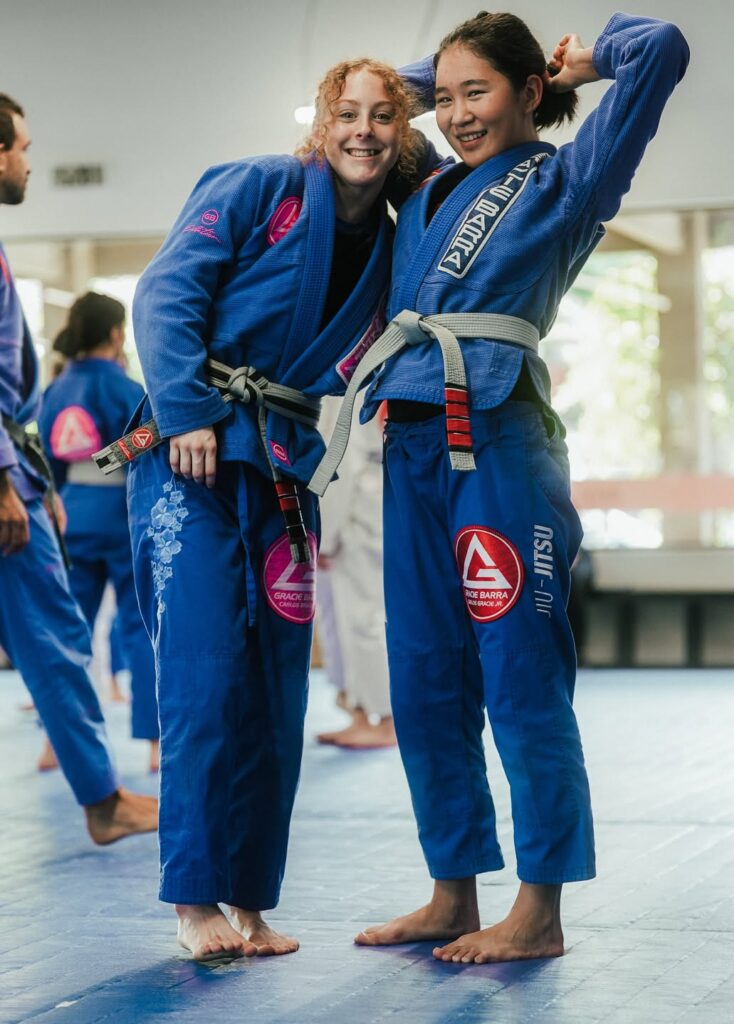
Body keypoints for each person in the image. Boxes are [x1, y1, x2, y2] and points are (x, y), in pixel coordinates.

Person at [310, 13, 688, 963]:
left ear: (528, 92)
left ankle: (540, 908)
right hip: (409, 442)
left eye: (477, 92)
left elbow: (664, 47)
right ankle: (451, 892)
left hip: (502, 443)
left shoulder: (570, 175)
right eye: (444, 98)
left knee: (520, 675)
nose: (455, 113)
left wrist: (583, 60)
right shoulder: (426, 185)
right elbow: (383, 98)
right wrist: (441, 79)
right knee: (427, 680)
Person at [119, 58, 441, 962]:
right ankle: (193, 901)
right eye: (348, 113)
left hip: (284, 470)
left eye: (385, 116)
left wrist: (424, 82)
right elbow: (165, 291)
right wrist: (184, 408)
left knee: (271, 690)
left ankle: (250, 900)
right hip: (192, 453)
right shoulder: (260, 185)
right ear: (320, 121)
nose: (365, 131)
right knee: (205, 674)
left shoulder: (391, 238)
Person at [0, 92, 158, 844]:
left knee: (66, 636)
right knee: (79, 635)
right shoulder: (125, 388)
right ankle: (103, 795)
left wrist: (36, 480)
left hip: (49, 493)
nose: (29, 160)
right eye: (23, 146)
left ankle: (94, 786)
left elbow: (34, 422)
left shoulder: (64, 384)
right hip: (84, 511)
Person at [38, 292, 160, 771]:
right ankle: (155, 748)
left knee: (68, 633)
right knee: (141, 628)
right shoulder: (127, 390)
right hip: (124, 516)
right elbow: (152, 440)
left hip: (68, 518)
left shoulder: (53, 392)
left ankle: (55, 744)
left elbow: (45, 463)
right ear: (116, 334)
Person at [315, 397, 395, 748]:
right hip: (354, 505)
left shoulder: (350, 384)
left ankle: (387, 719)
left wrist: (326, 531)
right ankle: (361, 711)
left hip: (355, 512)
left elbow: (344, 456)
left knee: (362, 618)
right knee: (342, 619)